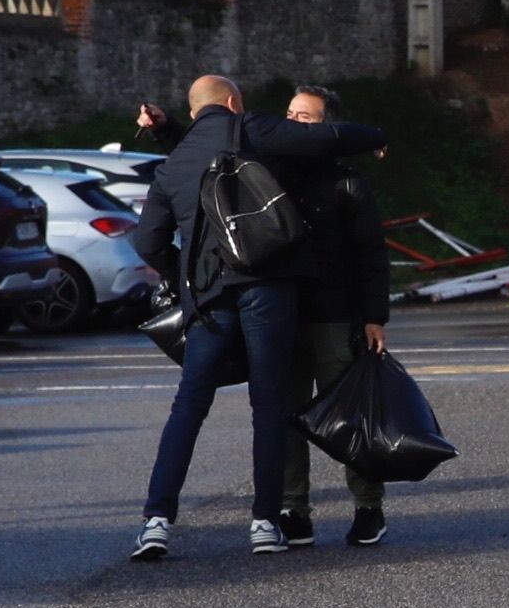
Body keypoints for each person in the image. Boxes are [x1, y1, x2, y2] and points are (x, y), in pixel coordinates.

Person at [129, 75, 387, 560]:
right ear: (233, 103)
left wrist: (187, 281)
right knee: (269, 406)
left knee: (188, 407)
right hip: (268, 291)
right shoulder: (252, 130)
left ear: (192, 110)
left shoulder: (174, 163)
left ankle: (156, 520)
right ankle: (266, 522)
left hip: (209, 300)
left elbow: (147, 241)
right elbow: (327, 138)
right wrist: (377, 136)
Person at [278, 85, 393, 548]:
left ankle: (368, 506)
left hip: (335, 315)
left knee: (348, 417)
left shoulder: (348, 183)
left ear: (329, 128)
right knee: (285, 416)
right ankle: (292, 510)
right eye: (289, 114)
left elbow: (371, 254)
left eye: (306, 118)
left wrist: (374, 317)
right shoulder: (266, 171)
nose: (294, 124)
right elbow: (214, 138)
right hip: (280, 315)